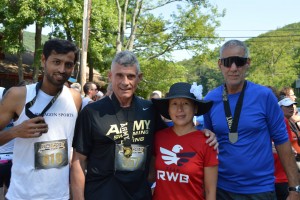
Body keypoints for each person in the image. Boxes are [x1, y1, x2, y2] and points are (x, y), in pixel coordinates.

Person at [71, 50, 217, 200]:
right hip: (102, 194)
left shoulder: (149, 109)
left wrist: (203, 134)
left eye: (131, 76)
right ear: (110, 76)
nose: (125, 82)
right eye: (119, 75)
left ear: (139, 78)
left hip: (140, 195)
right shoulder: (92, 112)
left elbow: (175, 134)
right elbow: (78, 161)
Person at [203, 39, 300, 199]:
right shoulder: (210, 99)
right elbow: (207, 142)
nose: (233, 68)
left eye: (239, 62)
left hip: (259, 190)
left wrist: (295, 188)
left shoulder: (264, 96)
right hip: (221, 189)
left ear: (248, 63)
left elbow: (283, 143)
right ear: (220, 64)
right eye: (228, 62)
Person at [0, 38, 82, 200]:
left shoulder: (75, 98)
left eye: (68, 64)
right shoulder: (18, 95)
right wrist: (15, 132)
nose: (62, 69)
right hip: (22, 195)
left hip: (59, 196)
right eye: (56, 62)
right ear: (44, 60)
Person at [151, 82, 218, 200]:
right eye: (174, 104)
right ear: (168, 109)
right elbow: (150, 176)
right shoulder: (158, 137)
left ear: (195, 108)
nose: (180, 109)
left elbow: (210, 191)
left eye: (186, 103)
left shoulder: (207, 142)